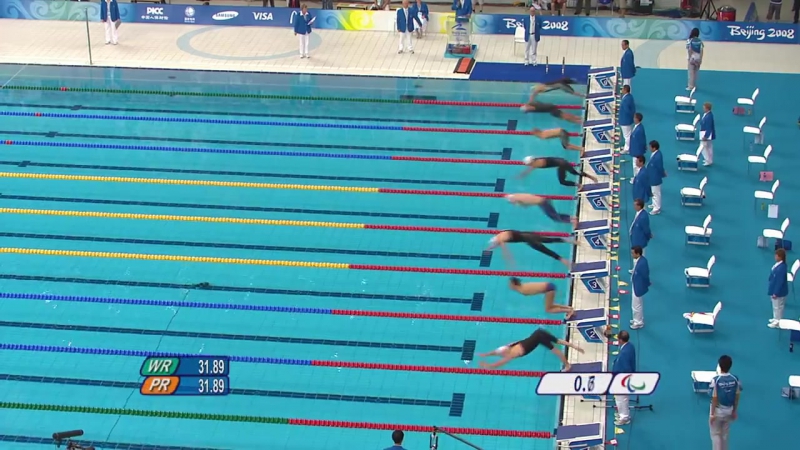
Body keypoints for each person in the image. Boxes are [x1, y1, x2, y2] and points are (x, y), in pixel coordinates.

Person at [479, 328, 584, 371]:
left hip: (538, 336)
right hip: (538, 335)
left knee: (556, 347)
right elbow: (499, 361)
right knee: (556, 343)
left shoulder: (509, 350)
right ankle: (572, 352)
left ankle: (568, 362)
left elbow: (497, 356)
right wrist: (489, 363)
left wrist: (486, 356)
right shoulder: (510, 353)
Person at [486, 230, 575, 269]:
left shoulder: (501, 239)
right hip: (528, 234)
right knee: (548, 240)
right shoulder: (501, 234)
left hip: (529, 239)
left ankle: (565, 262)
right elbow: (498, 243)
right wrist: (490, 248)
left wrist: (509, 260)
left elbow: (505, 250)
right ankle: (568, 240)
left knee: (546, 250)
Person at [709, 355, 741, 450]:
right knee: (725, 435)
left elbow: (714, 398)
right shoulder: (735, 379)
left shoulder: (716, 380)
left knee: (715, 434)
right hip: (729, 410)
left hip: (718, 411)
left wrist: (712, 414)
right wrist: (734, 410)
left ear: (719, 366)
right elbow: (737, 396)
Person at [509, 277, 574, 317]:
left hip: (549, 289)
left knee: (548, 309)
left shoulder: (523, 290)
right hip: (549, 287)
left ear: (514, 284)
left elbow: (535, 291)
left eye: (510, 284)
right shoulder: (522, 286)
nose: (509, 286)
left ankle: (568, 311)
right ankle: (569, 308)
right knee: (550, 305)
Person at [519, 156, 598, 188]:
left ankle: (591, 178)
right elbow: (531, 168)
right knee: (566, 178)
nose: (528, 165)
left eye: (528, 164)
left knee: (572, 174)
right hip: (561, 163)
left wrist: (529, 169)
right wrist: (523, 174)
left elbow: (536, 165)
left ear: (531, 162)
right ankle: (580, 184)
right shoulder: (536, 162)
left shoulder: (539, 162)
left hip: (562, 164)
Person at [506, 193, 578, 227]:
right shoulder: (518, 196)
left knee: (554, 217)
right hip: (543, 201)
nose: (512, 203)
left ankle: (572, 221)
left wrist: (517, 203)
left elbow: (525, 205)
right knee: (555, 214)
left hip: (543, 203)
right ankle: (572, 217)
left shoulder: (519, 199)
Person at [612, 331, 636, 426]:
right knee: (621, 398)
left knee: (621, 398)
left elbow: (626, 368)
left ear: (620, 340)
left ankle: (624, 417)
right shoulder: (630, 346)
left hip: (622, 379)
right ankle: (622, 414)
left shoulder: (624, 353)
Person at [768, 248, 789, 328]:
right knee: (775, 306)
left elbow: (779, 282)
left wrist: (775, 293)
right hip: (774, 288)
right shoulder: (779, 265)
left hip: (779, 292)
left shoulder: (781, 268)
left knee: (778, 307)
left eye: (776, 256)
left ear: (780, 257)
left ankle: (778, 322)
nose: (775, 257)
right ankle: (775, 318)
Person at [630, 246, 649, 330]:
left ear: (638, 253)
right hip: (636, 284)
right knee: (636, 304)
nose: (631, 254)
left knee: (636, 305)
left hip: (638, 286)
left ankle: (638, 322)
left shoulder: (642, 263)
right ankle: (636, 319)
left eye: (633, 253)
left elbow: (645, 275)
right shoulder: (640, 260)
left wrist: (646, 284)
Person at [646, 140, 665, 215]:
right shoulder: (655, 154)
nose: (649, 148)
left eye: (650, 146)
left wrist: (662, 174)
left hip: (655, 178)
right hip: (652, 176)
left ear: (654, 148)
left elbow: (660, 167)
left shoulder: (657, 156)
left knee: (656, 193)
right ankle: (654, 204)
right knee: (654, 193)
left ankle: (657, 208)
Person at [628, 113, 646, 182]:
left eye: (634, 118)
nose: (633, 119)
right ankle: (636, 177)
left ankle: (637, 178)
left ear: (637, 119)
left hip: (637, 151)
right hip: (635, 150)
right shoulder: (637, 127)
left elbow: (641, 141)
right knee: (635, 166)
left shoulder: (639, 130)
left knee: (636, 166)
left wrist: (640, 151)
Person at [618, 85, 635, 154]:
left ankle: (627, 149)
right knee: (628, 134)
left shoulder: (625, 100)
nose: (621, 90)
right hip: (627, 119)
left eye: (622, 89)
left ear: (625, 90)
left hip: (625, 120)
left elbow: (627, 110)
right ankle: (627, 146)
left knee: (627, 135)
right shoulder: (630, 97)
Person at [699, 102, 716, 167]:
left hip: (706, 134)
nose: (703, 109)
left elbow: (709, 127)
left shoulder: (709, 117)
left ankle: (708, 160)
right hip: (705, 133)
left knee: (703, 148)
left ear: (707, 108)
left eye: (704, 108)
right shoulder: (707, 114)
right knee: (709, 147)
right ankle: (710, 160)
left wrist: (706, 136)